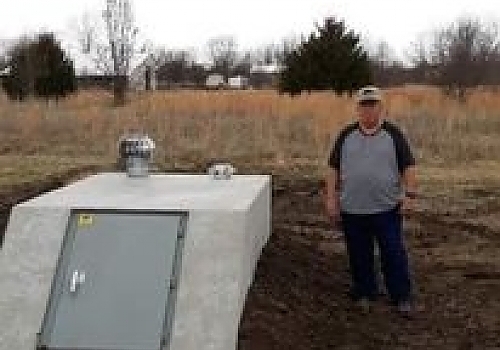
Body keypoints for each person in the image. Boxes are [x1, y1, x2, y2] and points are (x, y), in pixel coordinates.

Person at [324, 85, 418, 317]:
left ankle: (401, 296)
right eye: (364, 105)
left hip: (386, 209)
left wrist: (410, 194)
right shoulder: (345, 135)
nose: (368, 110)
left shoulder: (394, 135)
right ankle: (364, 292)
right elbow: (332, 169)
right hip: (352, 209)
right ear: (358, 108)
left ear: (381, 107)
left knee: (393, 252)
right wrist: (331, 198)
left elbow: (408, 166)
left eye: (373, 105)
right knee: (358, 254)